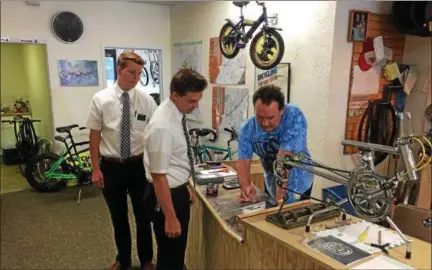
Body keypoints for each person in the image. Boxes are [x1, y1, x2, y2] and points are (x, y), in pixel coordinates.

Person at [85, 51, 158, 270]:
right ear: (119, 70)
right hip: (111, 167)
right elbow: (95, 135)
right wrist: (95, 169)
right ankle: (123, 260)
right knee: (119, 217)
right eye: (131, 72)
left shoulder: (146, 100)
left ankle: (146, 260)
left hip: (138, 166)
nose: (135, 77)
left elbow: (155, 132)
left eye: (139, 73)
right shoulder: (101, 99)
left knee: (143, 216)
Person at [143, 67, 208, 270]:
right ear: (174, 95)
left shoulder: (175, 113)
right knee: (170, 257)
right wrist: (170, 217)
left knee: (176, 254)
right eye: (191, 101)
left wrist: (183, 184)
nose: (195, 106)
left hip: (174, 190)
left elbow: (175, 161)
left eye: (198, 100)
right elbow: (159, 176)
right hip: (164, 195)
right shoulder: (162, 125)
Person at [236, 85, 314, 204]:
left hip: (298, 183)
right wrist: (245, 186)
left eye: (271, 117)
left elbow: (283, 162)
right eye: (260, 117)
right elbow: (243, 162)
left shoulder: (293, 116)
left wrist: (280, 202)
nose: (265, 123)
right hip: (272, 182)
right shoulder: (247, 129)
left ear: (282, 110)